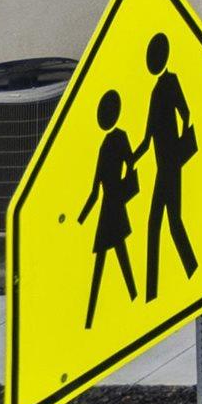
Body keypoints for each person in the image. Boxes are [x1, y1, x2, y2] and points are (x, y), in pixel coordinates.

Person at [139, 31, 199, 298]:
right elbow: (148, 136)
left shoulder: (171, 82)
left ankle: (156, 287)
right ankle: (189, 270)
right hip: (162, 163)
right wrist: (132, 158)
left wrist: (179, 148)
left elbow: (186, 113)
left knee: (161, 222)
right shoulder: (153, 90)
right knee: (169, 221)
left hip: (170, 164)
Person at [78, 88, 139, 328]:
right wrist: (80, 219)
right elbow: (95, 190)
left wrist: (127, 185)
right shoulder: (103, 146)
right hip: (107, 207)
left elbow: (131, 163)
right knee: (114, 256)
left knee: (111, 258)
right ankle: (130, 297)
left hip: (114, 204)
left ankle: (94, 314)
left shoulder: (119, 137)